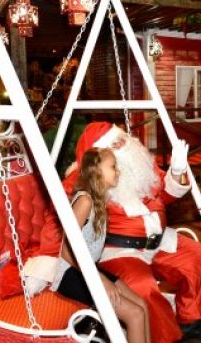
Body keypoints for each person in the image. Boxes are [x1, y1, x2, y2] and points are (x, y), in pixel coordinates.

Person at [63, 122, 201, 343]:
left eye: (122, 138)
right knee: (142, 288)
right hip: (121, 251)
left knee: (196, 255)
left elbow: (164, 195)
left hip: (159, 239)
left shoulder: (141, 169)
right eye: (116, 143)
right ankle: (166, 337)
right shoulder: (85, 186)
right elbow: (62, 230)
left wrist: (176, 173)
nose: (124, 143)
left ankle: (191, 320)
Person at [52, 147, 151, 343]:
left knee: (142, 306)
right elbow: (65, 251)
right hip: (70, 274)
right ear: (96, 170)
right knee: (135, 315)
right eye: (113, 167)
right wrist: (100, 280)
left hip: (88, 269)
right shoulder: (85, 201)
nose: (118, 171)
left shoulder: (99, 200)